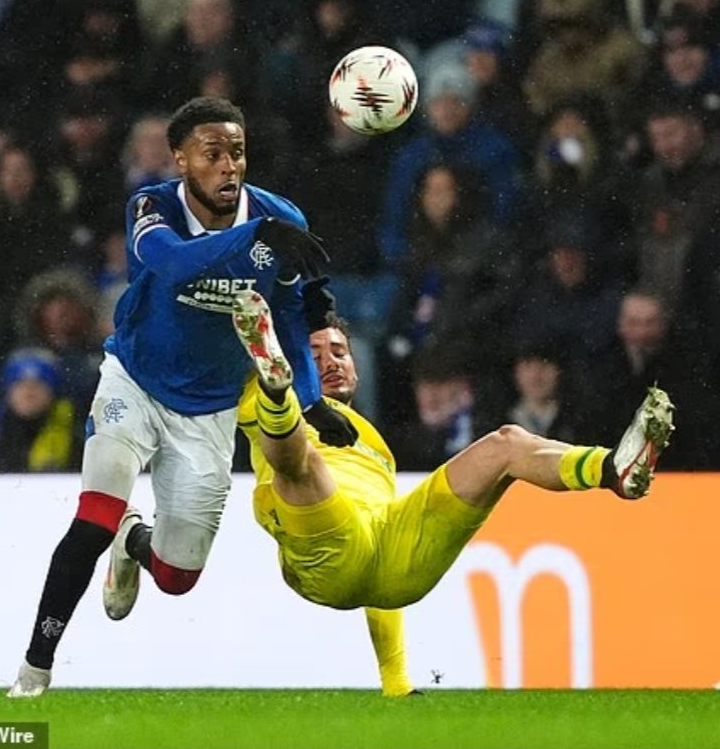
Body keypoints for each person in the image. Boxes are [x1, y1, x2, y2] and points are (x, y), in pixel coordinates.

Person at [8, 96, 352, 697]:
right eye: (211, 153)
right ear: (181, 159)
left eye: (237, 152)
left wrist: (311, 398)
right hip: (135, 382)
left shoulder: (278, 218)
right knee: (94, 518)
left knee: (175, 576)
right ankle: (35, 669)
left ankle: (132, 540)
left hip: (211, 409)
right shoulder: (153, 205)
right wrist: (252, 238)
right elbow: (169, 263)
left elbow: (292, 312)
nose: (228, 165)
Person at [217, 288, 673, 693]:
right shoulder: (252, 396)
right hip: (322, 558)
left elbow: (375, 585)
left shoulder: (374, 443)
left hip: (393, 566)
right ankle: (280, 393)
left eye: (339, 352)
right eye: (312, 355)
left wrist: (396, 681)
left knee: (506, 444)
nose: (329, 362)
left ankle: (613, 469)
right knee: (300, 462)